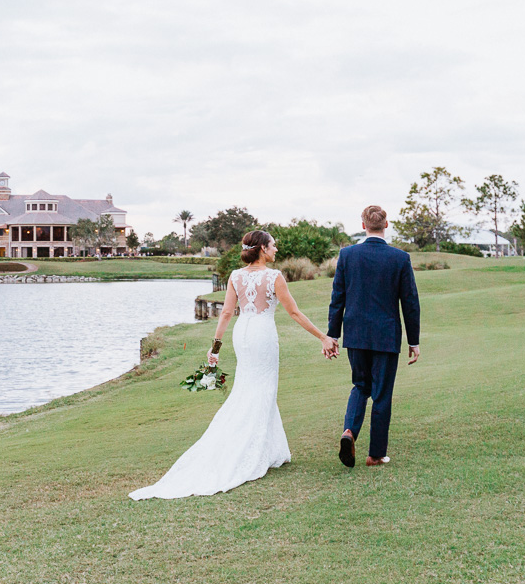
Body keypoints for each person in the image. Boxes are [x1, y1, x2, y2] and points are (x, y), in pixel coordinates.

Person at [129, 230, 339, 500]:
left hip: (243, 333)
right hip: (262, 334)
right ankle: (249, 452)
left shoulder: (235, 276)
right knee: (263, 390)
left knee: (249, 388)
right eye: (273, 246)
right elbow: (294, 312)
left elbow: (227, 312)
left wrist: (215, 348)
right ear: (262, 248)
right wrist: (323, 337)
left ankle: (271, 449)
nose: (276, 250)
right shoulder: (274, 277)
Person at [327, 205, 421, 468]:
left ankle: (349, 431)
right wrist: (413, 341)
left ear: (363, 224)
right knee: (381, 394)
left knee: (360, 386)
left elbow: (338, 298)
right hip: (386, 336)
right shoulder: (400, 258)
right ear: (386, 225)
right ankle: (375, 455)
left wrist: (333, 335)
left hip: (355, 335)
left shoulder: (347, 255)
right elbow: (410, 302)